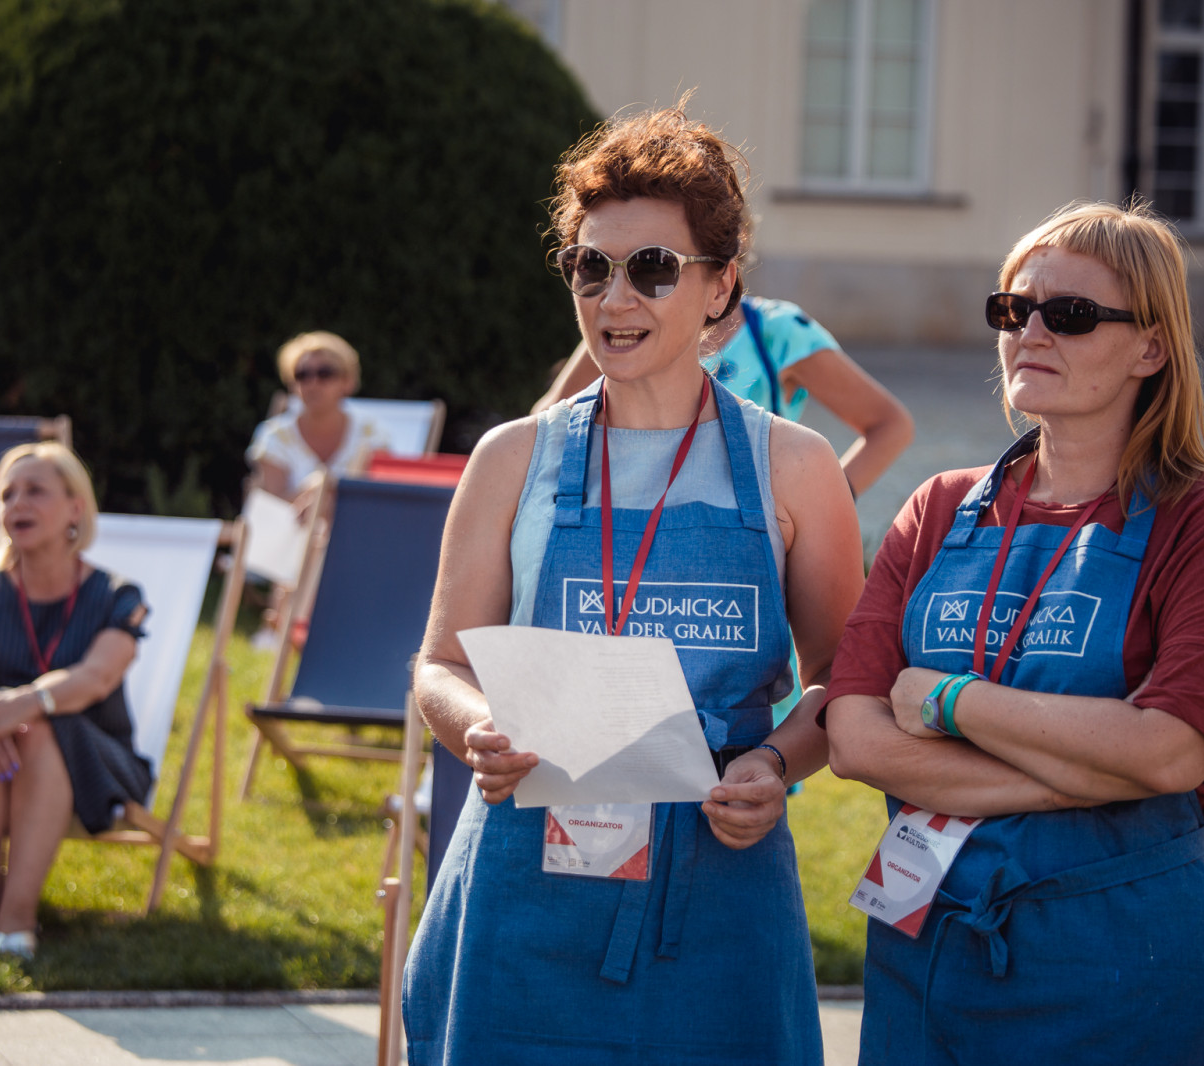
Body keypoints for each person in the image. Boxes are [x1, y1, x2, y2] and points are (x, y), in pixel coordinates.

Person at [402, 103, 865, 1065]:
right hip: (526, 892)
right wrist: (478, 727)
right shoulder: (511, 458)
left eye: (652, 268)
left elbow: (844, 677)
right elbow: (441, 663)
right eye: (590, 267)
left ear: (720, 285)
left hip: (720, 895)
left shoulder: (794, 466)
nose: (615, 299)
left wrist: (775, 763)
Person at [822, 201, 1204, 1064]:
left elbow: (1172, 752)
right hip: (931, 946)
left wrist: (948, 700)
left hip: (1126, 958)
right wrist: (1089, 774)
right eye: (1013, 309)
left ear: (1151, 348)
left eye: (1069, 315)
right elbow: (854, 738)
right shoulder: (939, 507)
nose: (1030, 333)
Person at [0, 442, 152, 962]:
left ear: (75, 508)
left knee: (38, 726)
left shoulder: (117, 596)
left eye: (35, 491)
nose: (17, 504)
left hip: (98, 765)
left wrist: (19, 708)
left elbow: (95, 677)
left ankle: (17, 921)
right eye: (8, 494)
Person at [533, 298, 913, 499]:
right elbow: (544, 425)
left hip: (746, 543)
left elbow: (890, 425)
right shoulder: (627, 323)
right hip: (632, 535)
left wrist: (819, 510)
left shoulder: (777, 331)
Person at [245, 330, 386, 500]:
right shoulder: (273, 436)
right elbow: (274, 506)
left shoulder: (372, 433)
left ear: (348, 381)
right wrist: (320, 491)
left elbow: (377, 499)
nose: (313, 383)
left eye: (325, 373)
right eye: (302, 375)